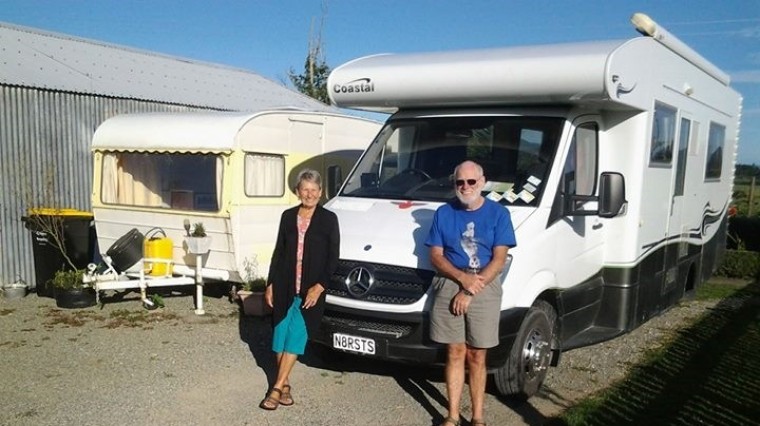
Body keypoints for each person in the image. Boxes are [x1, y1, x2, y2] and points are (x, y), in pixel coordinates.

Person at [426, 160, 516, 426]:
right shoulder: (444, 213)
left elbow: (500, 258)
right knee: (454, 351)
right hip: (451, 280)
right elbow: (435, 254)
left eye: (471, 182)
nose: (465, 187)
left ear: (483, 182)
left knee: (477, 354)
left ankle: (477, 418)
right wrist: (461, 278)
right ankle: (452, 415)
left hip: (484, 284)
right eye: (460, 182)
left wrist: (471, 286)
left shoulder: (499, 214)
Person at [259, 169, 340, 410]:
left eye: (314, 190)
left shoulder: (328, 219)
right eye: (305, 189)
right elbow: (279, 252)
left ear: (321, 193)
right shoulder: (287, 216)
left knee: (296, 337)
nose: (310, 194)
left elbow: (333, 258)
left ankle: (275, 388)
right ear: (297, 191)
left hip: (310, 289)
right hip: (284, 285)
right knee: (279, 336)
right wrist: (270, 284)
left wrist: (321, 286)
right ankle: (285, 386)